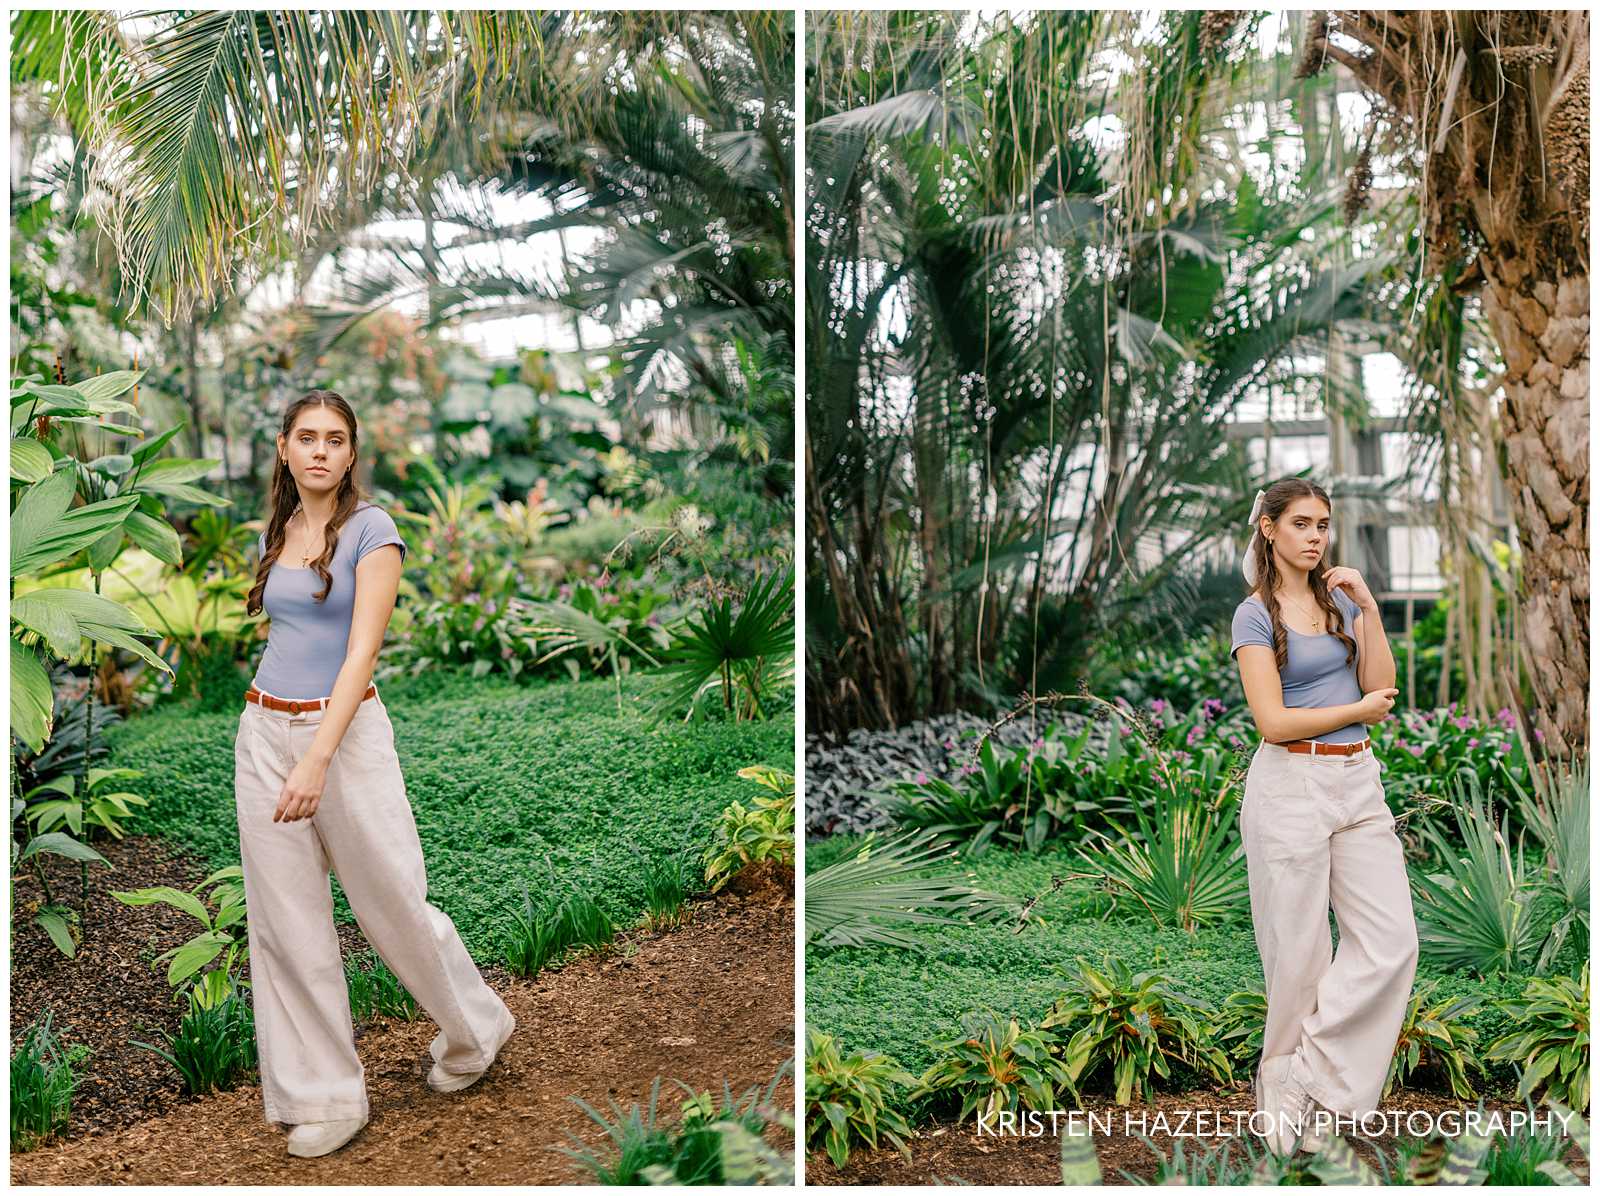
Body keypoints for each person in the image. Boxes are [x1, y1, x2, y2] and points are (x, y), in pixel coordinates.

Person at [236, 390, 516, 1159]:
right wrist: (281, 745)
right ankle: (326, 1095)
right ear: (286, 449)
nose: (321, 451)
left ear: (351, 454)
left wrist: (316, 759)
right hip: (261, 729)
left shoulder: (373, 531)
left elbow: (361, 655)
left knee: (390, 897)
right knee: (286, 924)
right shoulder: (285, 528)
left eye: (336, 439)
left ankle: (474, 1026)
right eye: (307, 437)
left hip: (346, 735)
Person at [1228, 478, 1418, 1156]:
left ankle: (1302, 1077)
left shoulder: (1340, 599)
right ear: (1270, 530)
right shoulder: (1254, 615)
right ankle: (1289, 1116)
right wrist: (1354, 713)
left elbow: (1380, 684)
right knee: (1300, 957)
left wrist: (1367, 608)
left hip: (1357, 781)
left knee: (1391, 942)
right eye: (1301, 523)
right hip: (1292, 784)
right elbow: (1273, 721)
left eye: (1323, 525)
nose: (1315, 536)